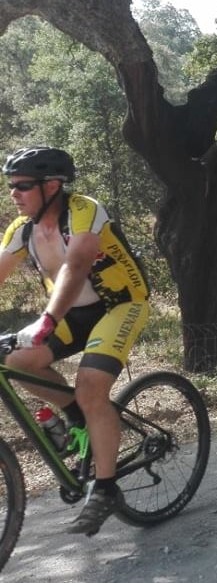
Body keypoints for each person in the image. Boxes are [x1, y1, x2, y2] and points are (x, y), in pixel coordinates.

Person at [0, 146, 151, 536]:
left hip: (119, 304)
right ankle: (77, 417)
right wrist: (50, 321)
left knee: (91, 389)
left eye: (22, 186)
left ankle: (105, 488)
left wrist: (46, 320)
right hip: (73, 313)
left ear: (52, 186)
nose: (13, 193)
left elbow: (77, 264)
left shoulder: (84, 211)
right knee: (17, 364)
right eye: (10, 185)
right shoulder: (22, 229)